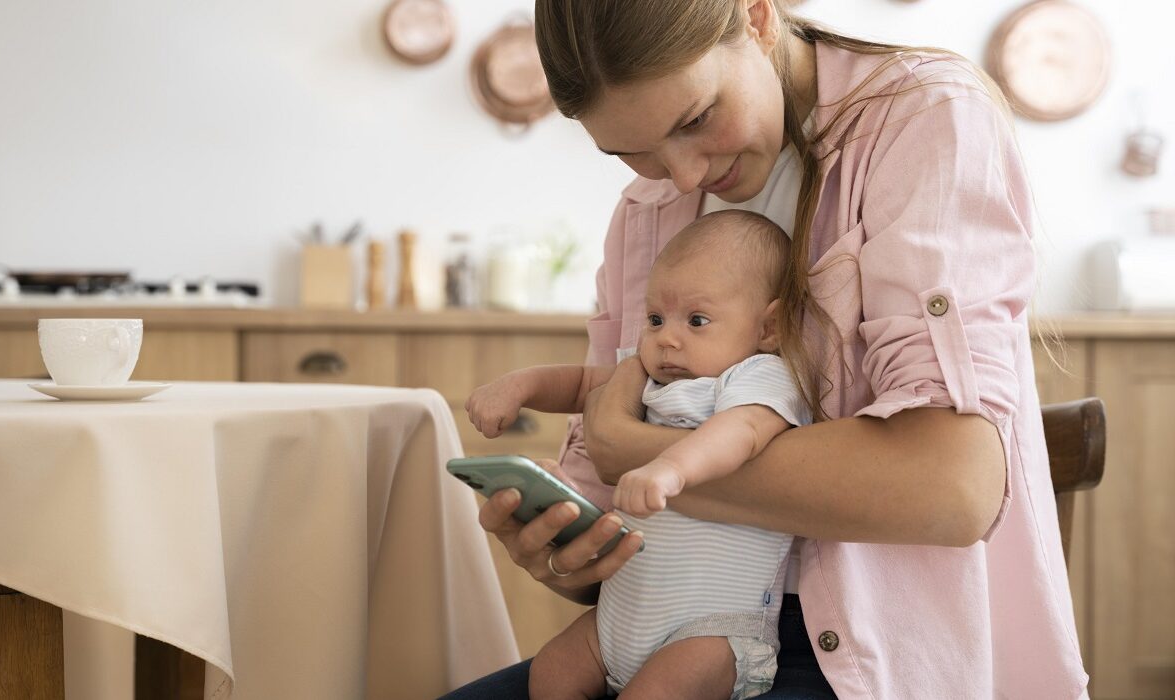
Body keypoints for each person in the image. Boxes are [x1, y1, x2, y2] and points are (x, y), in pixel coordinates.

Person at [443, 0, 1087, 697]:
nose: (682, 176)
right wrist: (566, 552)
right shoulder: (648, 209)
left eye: (693, 121)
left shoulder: (922, 117)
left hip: (871, 661)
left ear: (755, 16)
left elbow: (953, 489)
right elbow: (610, 513)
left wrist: (634, 451)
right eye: (630, 152)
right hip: (656, 628)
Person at [466, 210, 812, 699]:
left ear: (768, 327)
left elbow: (743, 433)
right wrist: (518, 385)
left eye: (697, 320)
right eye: (655, 319)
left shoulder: (757, 376)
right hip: (617, 619)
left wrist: (671, 468)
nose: (667, 337)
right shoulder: (653, 375)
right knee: (552, 672)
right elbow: (584, 384)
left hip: (708, 633)